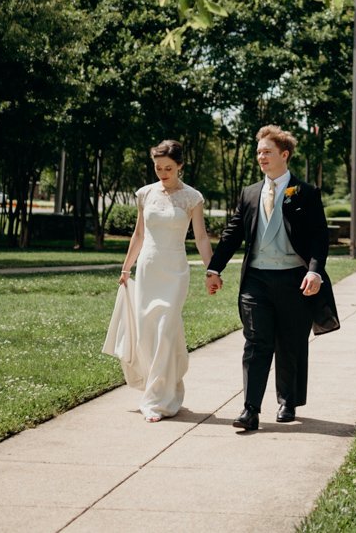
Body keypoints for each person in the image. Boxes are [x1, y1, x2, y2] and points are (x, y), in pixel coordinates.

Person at [206, 124, 337, 431]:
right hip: (257, 281)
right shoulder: (250, 193)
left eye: (267, 152)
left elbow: (319, 237)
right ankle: (250, 408)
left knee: (291, 343)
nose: (261, 157)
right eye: (258, 152)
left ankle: (288, 401)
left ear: (284, 154)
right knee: (256, 342)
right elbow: (232, 233)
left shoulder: (305, 192)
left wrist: (315, 271)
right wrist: (215, 268)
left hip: (294, 279)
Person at [103, 139, 214, 422]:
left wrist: (212, 270)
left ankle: (156, 401)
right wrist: (126, 268)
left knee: (166, 329)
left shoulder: (193, 198)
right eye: (158, 167)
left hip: (175, 271)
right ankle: (169, 386)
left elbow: (200, 237)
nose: (162, 173)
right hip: (149, 268)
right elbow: (139, 235)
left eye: (168, 168)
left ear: (180, 166)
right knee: (149, 334)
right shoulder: (144, 194)